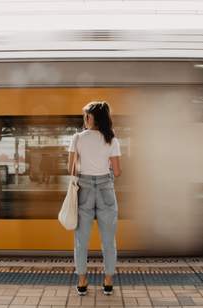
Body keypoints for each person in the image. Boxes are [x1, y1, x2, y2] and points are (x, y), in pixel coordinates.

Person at [67, 101, 122, 296]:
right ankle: (107, 282)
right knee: (108, 240)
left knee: (81, 240)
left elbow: (70, 168)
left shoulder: (77, 138)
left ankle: (82, 282)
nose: (85, 119)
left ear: (92, 118)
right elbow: (117, 172)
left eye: (86, 116)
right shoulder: (112, 140)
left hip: (84, 189)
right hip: (106, 189)